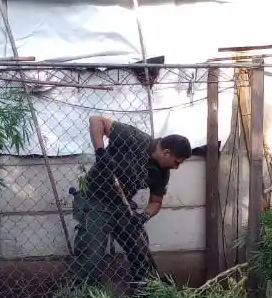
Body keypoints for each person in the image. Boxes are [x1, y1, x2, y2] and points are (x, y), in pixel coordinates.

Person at [71, 115, 191, 288]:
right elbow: (96, 120)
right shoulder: (135, 138)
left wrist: (143, 217)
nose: (176, 167)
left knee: (140, 250)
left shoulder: (162, 171)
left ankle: (146, 294)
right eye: (176, 162)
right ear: (166, 153)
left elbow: (156, 202)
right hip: (95, 200)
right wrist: (100, 152)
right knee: (91, 255)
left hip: (122, 206)